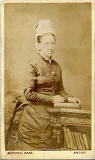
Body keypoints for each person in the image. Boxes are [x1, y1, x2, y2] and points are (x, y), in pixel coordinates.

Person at [17, 20, 80, 151]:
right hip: (32, 123)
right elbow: (28, 94)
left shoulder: (57, 66)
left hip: (51, 120)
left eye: (52, 43)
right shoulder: (32, 64)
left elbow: (60, 89)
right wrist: (51, 99)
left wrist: (68, 98)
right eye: (46, 43)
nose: (50, 47)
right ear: (38, 46)